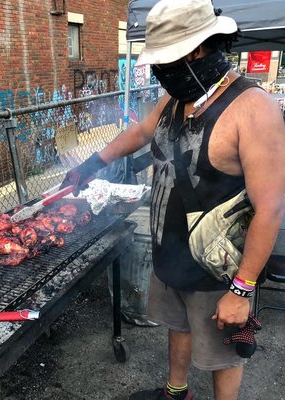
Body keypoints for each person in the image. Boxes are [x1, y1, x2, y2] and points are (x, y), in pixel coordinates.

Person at [60, 0, 285, 399]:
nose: (162, 72)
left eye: (168, 60)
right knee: (177, 326)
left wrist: (242, 290)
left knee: (224, 355)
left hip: (219, 269)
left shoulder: (254, 109)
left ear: (200, 48)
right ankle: (176, 392)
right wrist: (92, 163)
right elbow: (140, 133)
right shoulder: (175, 100)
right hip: (171, 252)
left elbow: (270, 208)